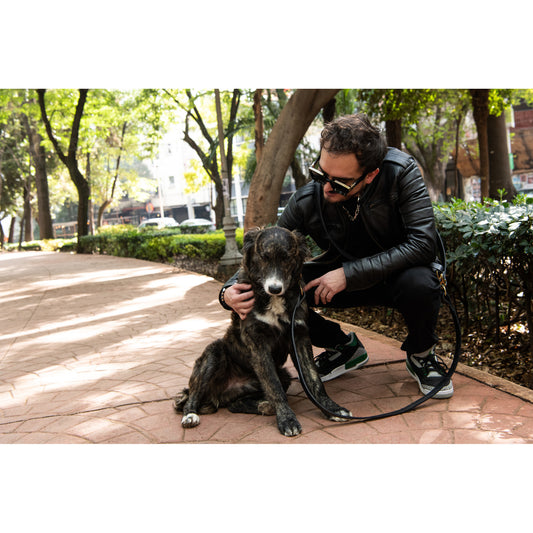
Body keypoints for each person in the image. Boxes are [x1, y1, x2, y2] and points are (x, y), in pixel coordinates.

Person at [219, 113, 453, 399]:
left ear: (370, 175)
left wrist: (349, 274)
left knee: (422, 282)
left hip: (399, 277)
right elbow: (265, 252)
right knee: (279, 288)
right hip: (336, 280)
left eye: (340, 182)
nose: (326, 187)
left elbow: (423, 244)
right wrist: (227, 292)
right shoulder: (308, 199)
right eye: (320, 174)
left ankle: (421, 354)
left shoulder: (401, 172)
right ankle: (342, 346)